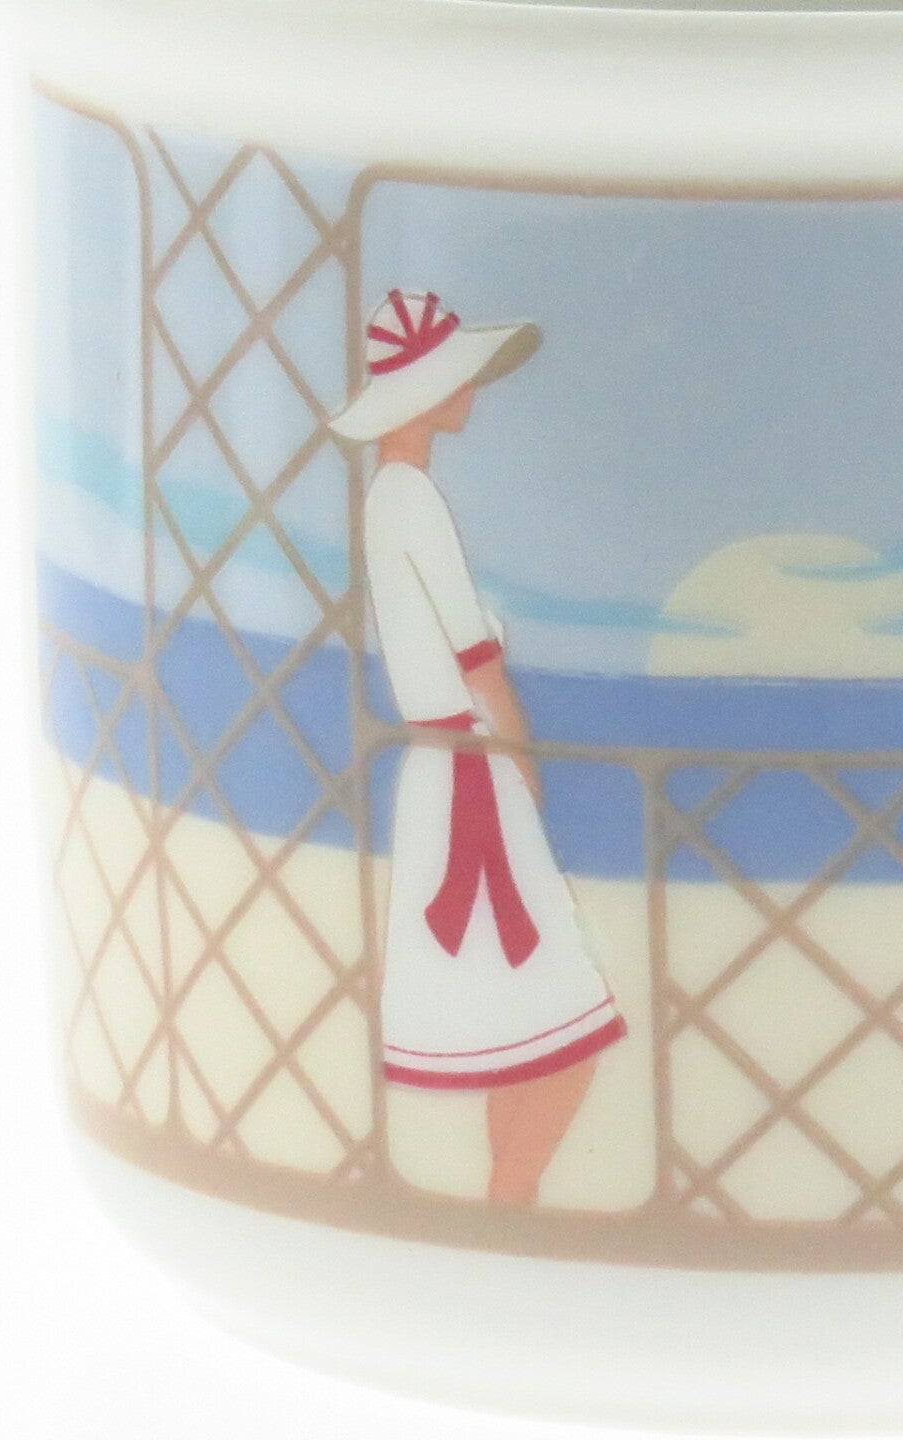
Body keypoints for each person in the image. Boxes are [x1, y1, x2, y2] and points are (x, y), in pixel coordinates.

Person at [331, 290, 625, 1205]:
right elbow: (473, 651)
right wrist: (521, 753)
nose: (471, 395)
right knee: (560, 1031)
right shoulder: (411, 498)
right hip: (472, 775)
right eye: (460, 381)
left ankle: (509, 1207)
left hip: (446, 776)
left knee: (527, 1030)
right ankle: (511, 1203)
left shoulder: (389, 497)